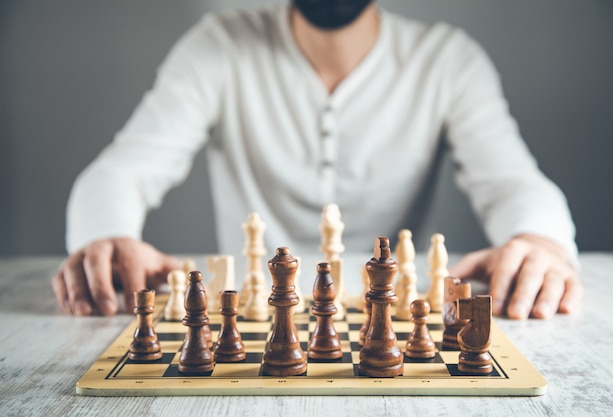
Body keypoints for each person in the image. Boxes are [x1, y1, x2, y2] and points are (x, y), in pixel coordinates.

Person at [51, 0, 583, 320]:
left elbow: (513, 181)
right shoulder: (219, 46)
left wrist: (540, 242)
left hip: (392, 308)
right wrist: (106, 235)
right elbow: (122, 169)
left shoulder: (448, 59)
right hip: (253, 308)